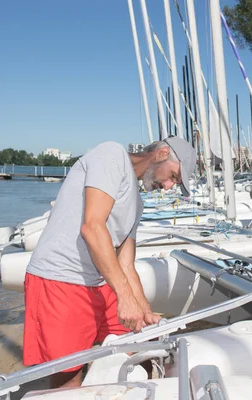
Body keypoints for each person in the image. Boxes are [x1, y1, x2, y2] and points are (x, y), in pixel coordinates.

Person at [23, 137, 196, 388]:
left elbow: (126, 264)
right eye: (174, 177)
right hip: (60, 279)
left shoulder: (136, 203)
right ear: (162, 154)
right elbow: (92, 227)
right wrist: (125, 297)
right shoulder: (111, 155)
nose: (169, 186)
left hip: (98, 282)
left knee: (141, 347)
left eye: (175, 183)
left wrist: (145, 312)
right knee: (69, 374)